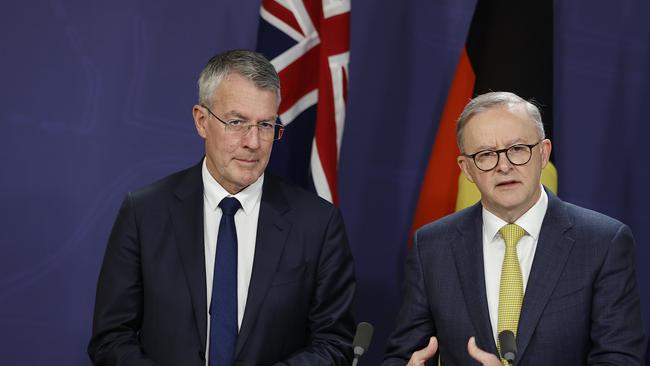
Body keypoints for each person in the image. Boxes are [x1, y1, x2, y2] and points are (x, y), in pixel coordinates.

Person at [88, 49, 356, 366]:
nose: (253, 142)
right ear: (202, 121)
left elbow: (335, 342)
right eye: (237, 122)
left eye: (266, 125)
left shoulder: (318, 224)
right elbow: (111, 338)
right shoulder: (145, 213)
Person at [383, 91, 646, 365]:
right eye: (486, 154)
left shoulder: (602, 242)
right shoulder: (431, 246)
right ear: (467, 169)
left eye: (518, 149)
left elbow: (620, 359)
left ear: (543, 154)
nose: (504, 166)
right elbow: (402, 354)